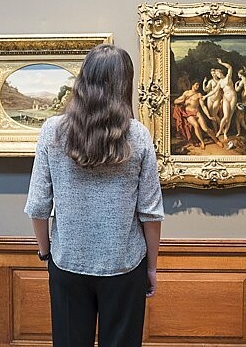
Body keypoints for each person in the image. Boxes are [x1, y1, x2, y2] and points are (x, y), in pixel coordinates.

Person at [24, 44, 164, 347]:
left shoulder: (53, 131)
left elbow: (37, 207)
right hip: (125, 266)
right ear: (125, 84)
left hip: (67, 263)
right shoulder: (138, 135)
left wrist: (46, 253)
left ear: (83, 80)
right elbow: (151, 213)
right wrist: (151, 268)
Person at [173, 81, 223, 149]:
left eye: (198, 85)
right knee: (196, 125)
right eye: (196, 85)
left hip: (197, 113)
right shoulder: (186, 93)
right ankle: (202, 142)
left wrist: (208, 116)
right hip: (188, 114)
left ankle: (216, 141)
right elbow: (175, 101)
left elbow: (203, 106)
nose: (198, 86)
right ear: (192, 85)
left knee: (205, 129)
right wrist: (182, 100)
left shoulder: (199, 95)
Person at [215, 58, 239, 141]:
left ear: (221, 72)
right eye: (216, 74)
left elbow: (230, 67)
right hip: (225, 97)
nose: (217, 75)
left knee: (229, 117)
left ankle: (225, 133)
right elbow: (215, 91)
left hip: (233, 97)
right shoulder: (219, 82)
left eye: (218, 73)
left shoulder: (228, 77)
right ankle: (220, 130)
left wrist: (221, 62)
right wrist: (206, 96)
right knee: (225, 116)